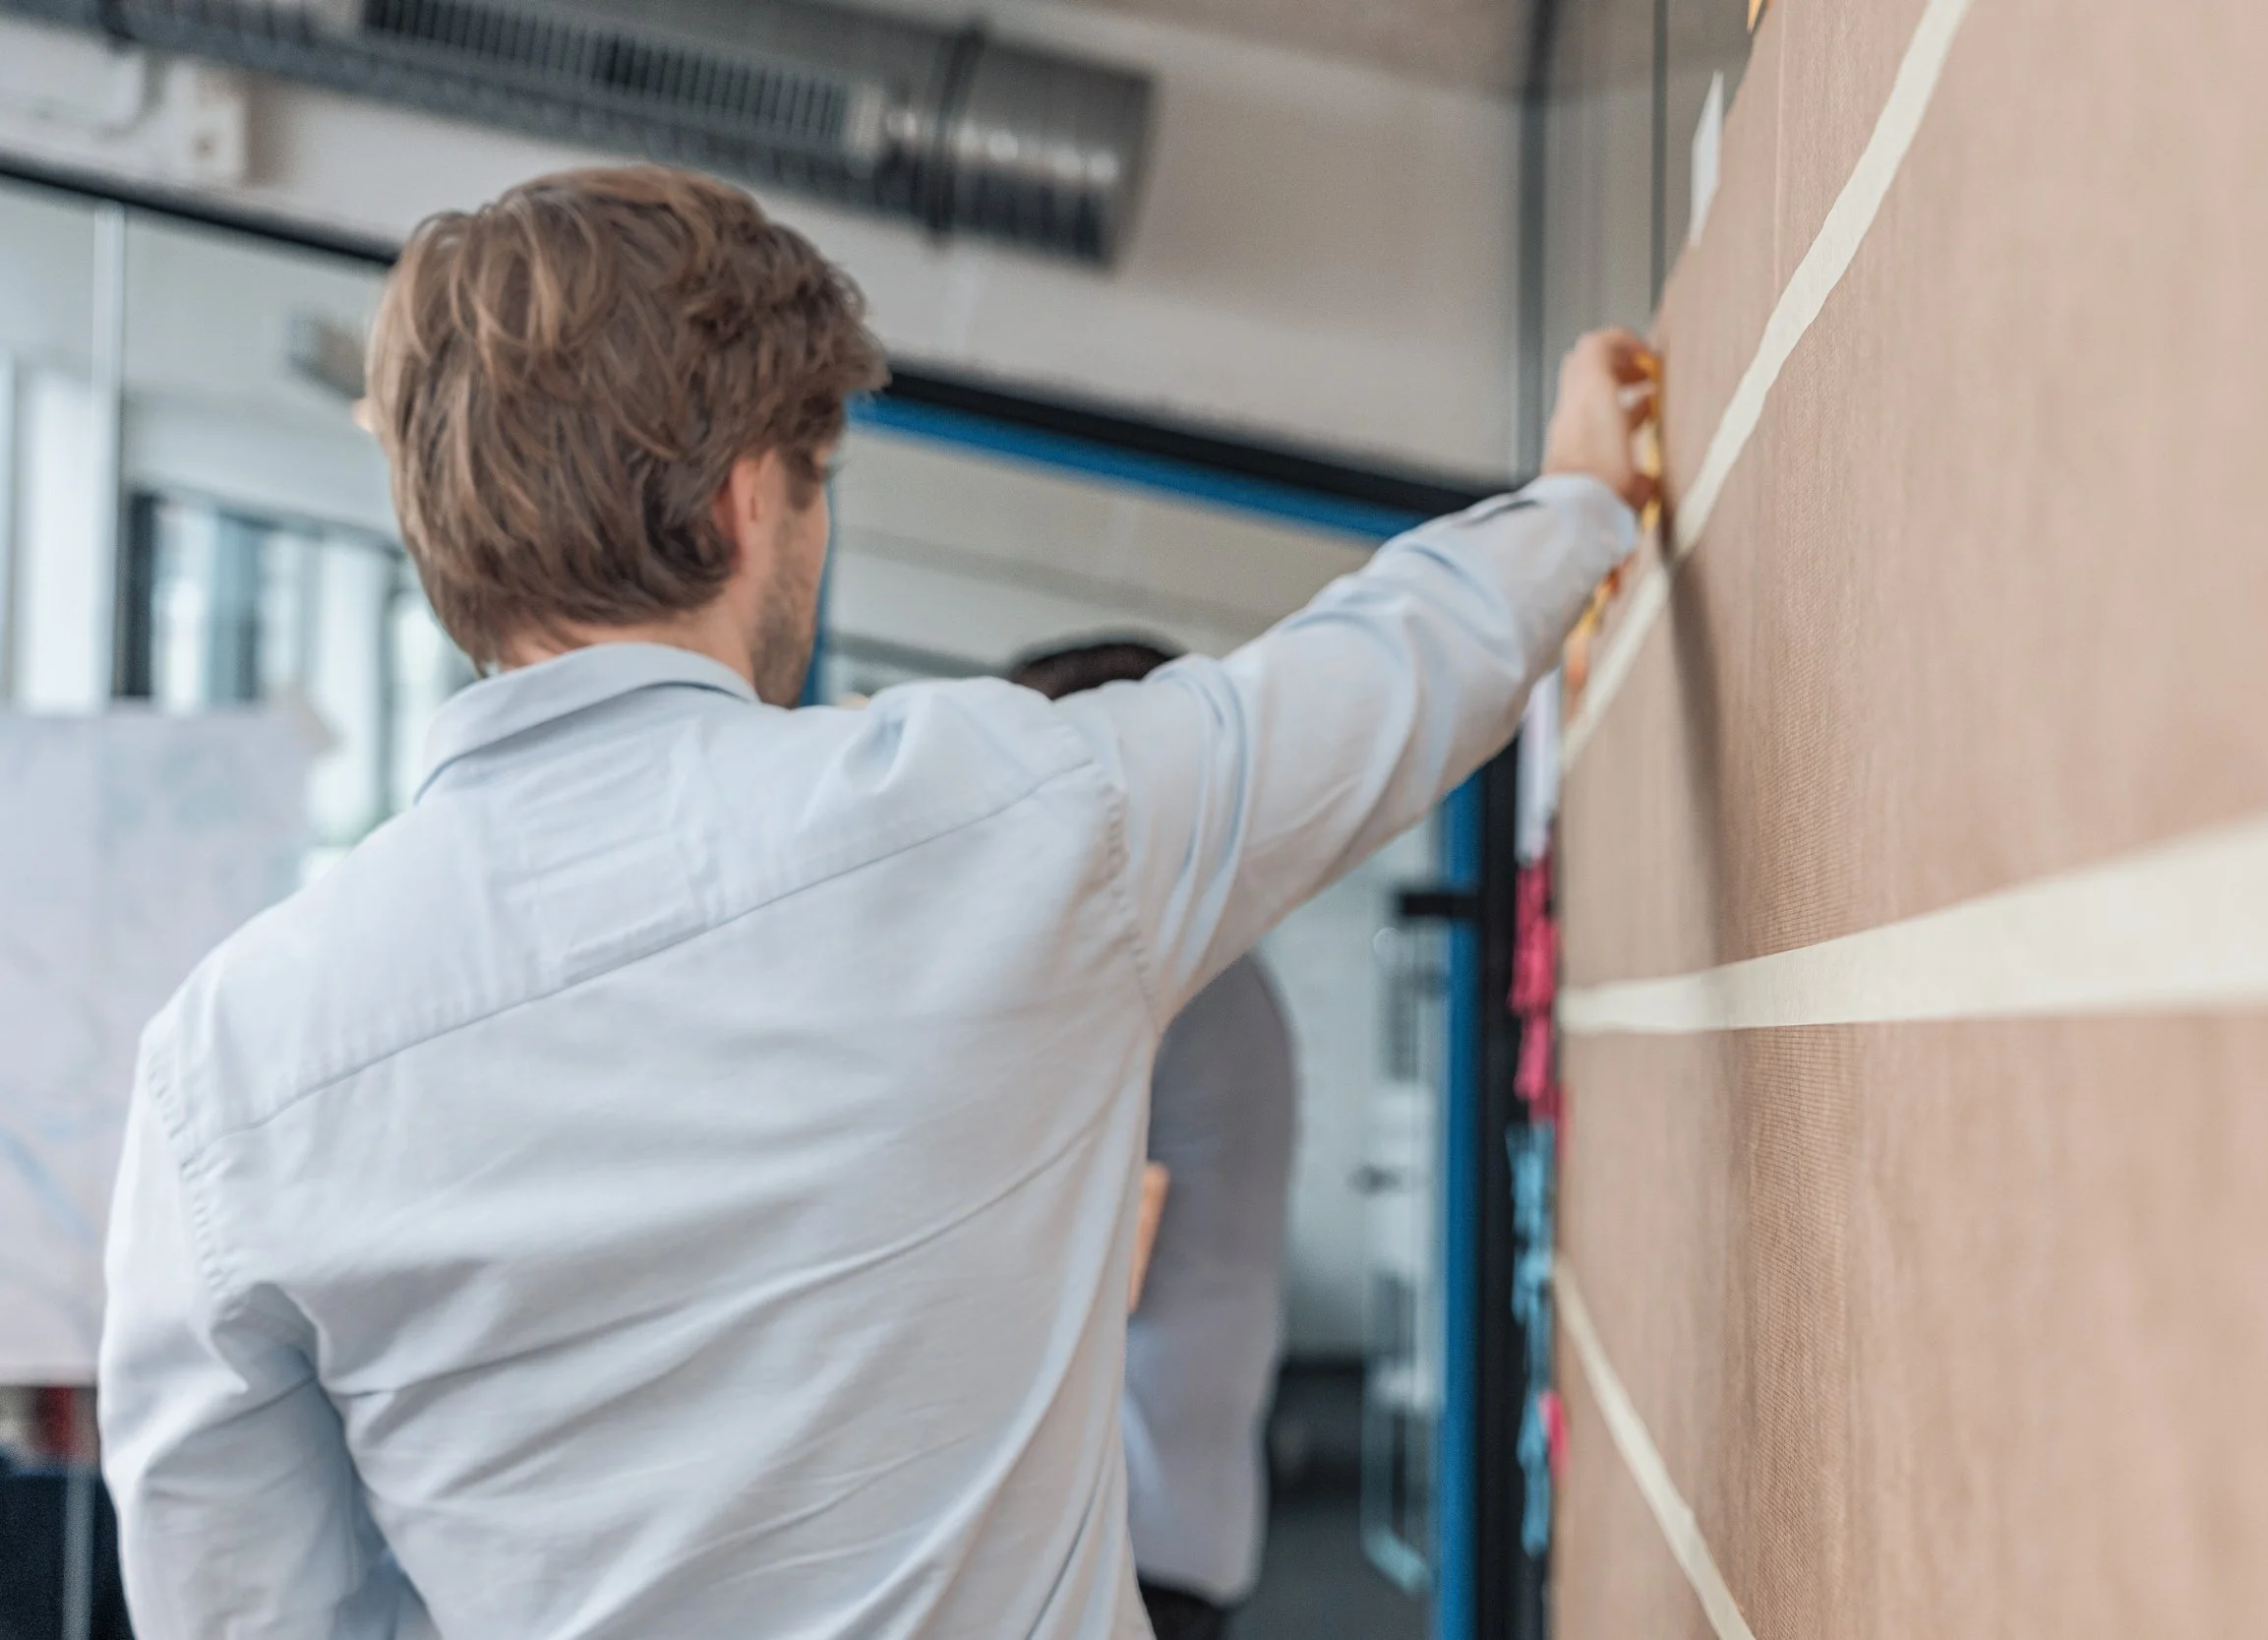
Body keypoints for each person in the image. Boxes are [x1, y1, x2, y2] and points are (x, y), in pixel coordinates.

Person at [96, 164, 1656, 1640]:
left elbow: (247, 1602)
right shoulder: (1003, 817)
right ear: (741, 499)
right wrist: (1580, 492)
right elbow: (1370, 685)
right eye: (816, 475)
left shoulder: (227, 1066)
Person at [1011, 640, 1297, 1640]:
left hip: (1132, 1537)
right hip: (1168, 1521)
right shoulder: (1203, 961)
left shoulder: (1149, 973)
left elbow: (1083, 1259)